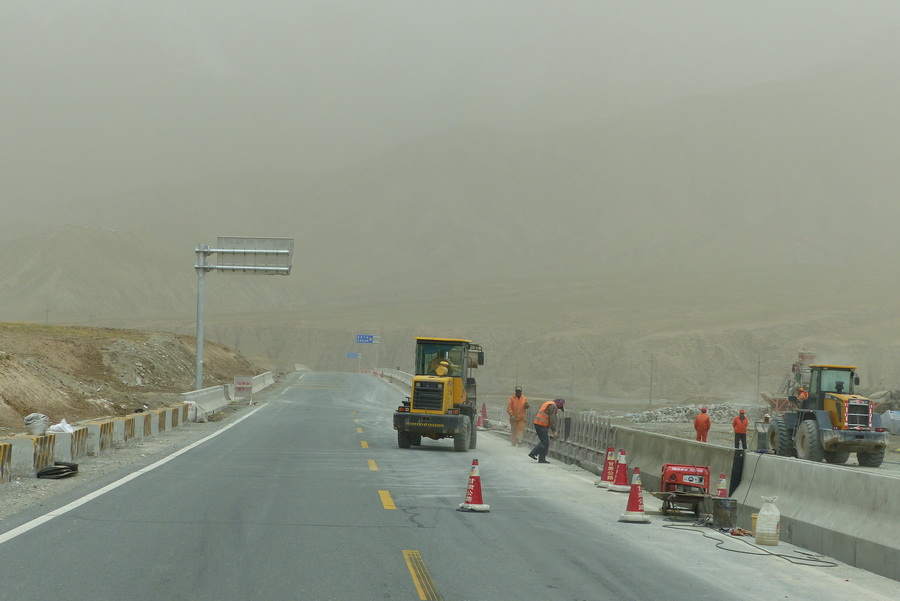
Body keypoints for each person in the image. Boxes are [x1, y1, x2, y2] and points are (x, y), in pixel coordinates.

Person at [529, 398, 564, 463]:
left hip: (538, 423)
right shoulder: (553, 406)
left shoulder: (548, 403)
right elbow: (552, 419)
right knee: (545, 442)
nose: (558, 409)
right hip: (541, 424)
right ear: (559, 404)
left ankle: (542, 459)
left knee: (545, 442)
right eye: (559, 407)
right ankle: (533, 453)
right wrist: (554, 431)